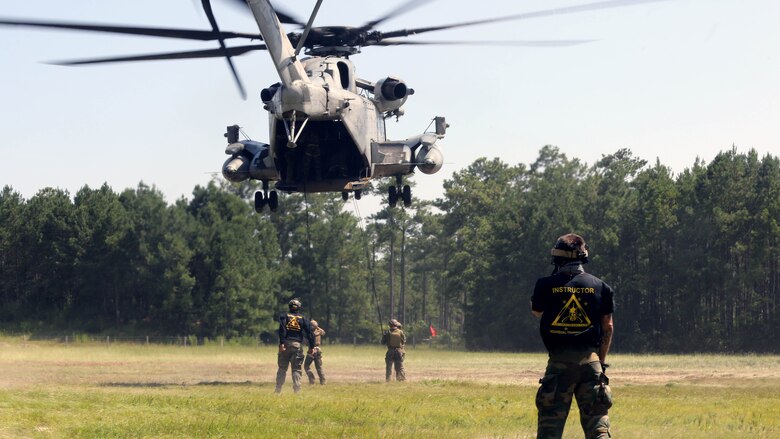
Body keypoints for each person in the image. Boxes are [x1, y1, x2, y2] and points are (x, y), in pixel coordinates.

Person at [531, 233, 615, 439]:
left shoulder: (545, 284)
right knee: (598, 428)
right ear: (583, 256)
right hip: (591, 363)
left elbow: (537, 312)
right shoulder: (601, 286)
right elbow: (608, 327)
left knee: (549, 428)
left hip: (559, 365)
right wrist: (600, 363)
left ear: (557, 257)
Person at [275, 298, 315, 394]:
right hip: (297, 346)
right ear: (299, 307)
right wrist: (311, 347)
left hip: (286, 345)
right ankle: (297, 391)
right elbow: (309, 333)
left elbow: (282, 330)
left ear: (289, 307)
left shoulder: (284, 316)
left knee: (282, 368)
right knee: (296, 369)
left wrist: (282, 344)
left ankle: (278, 391)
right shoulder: (303, 318)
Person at [304, 319, 326, 385]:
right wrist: (317, 327)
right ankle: (323, 381)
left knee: (306, 366)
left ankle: (312, 379)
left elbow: (306, 342)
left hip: (311, 351)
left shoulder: (310, 333)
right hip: (318, 350)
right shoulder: (319, 331)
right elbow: (324, 332)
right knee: (319, 367)